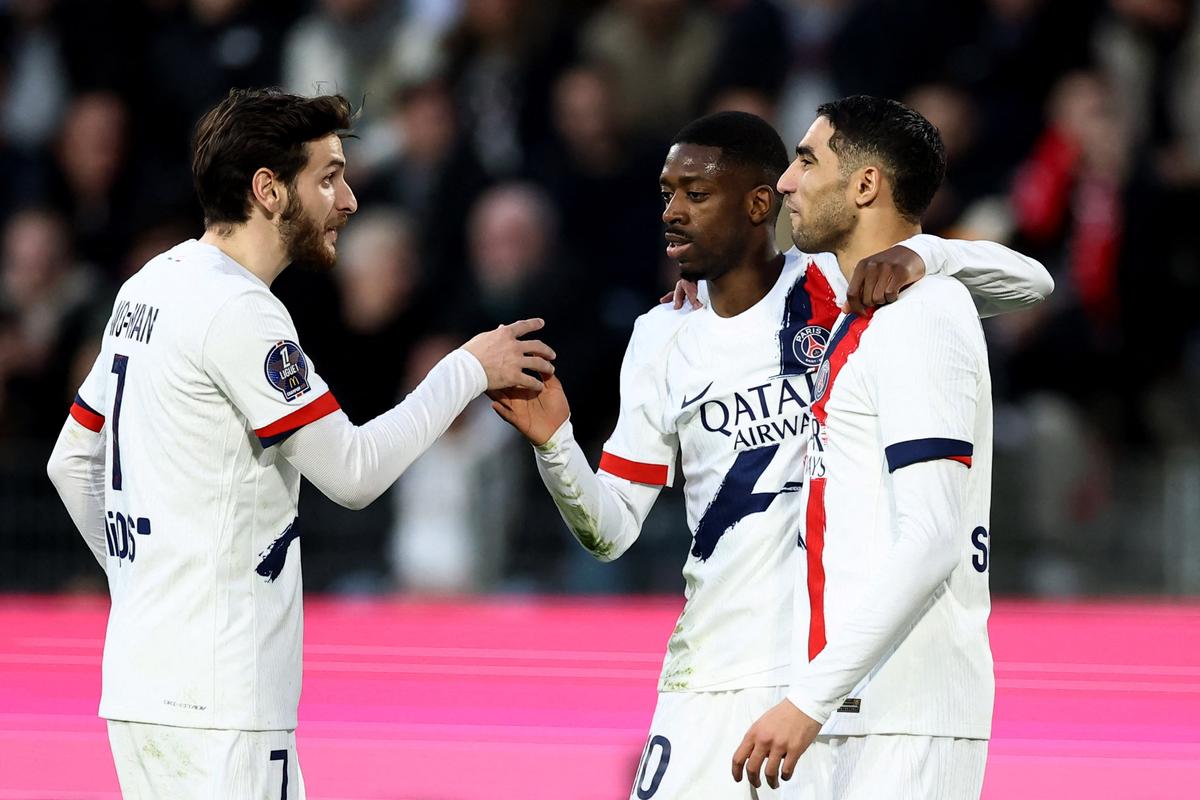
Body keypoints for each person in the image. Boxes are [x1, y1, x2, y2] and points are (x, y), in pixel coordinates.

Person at [490, 110, 1051, 799]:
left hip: (823, 678)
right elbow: (610, 532)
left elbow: (1029, 281)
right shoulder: (662, 336)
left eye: (694, 195)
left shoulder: (842, 287)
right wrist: (556, 444)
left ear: (757, 204)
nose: (672, 212)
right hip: (709, 673)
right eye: (666, 194)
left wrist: (926, 253)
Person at [44, 87, 553, 800]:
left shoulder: (147, 286)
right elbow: (351, 471)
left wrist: (146, 588)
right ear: (268, 190)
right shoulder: (242, 312)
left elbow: (70, 460)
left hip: (139, 685)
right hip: (225, 702)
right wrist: (465, 370)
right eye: (328, 177)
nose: (347, 199)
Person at [731, 96, 1002, 798]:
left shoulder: (924, 317)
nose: (786, 181)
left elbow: (933, 537)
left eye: (806, 158)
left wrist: (807, 702)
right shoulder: (868, 311)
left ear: (865, 186)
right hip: (855, 710)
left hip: (907, 716)